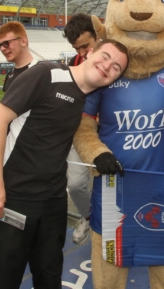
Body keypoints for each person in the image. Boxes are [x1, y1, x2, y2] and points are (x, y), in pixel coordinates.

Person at [0, 39, 129, 289]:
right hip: (12, 196)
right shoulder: (47, 74)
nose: (107, 67)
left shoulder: (86, 97)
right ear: (90, 52)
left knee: (49, 276)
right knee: (3, 278)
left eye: (116, 67)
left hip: (52, 201)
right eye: (105, 57)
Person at [62, 14, 99, 245]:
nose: (83, 52)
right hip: (81, 132)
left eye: (86, 45)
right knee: (75, 184)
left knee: (112, 186)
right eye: (78, 48)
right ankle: (88, 217)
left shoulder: (116, 58)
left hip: (110, 132)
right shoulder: (75, 64)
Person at [0, 21, 36, 91]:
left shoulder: (40, 73)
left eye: (6, 43)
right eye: (0, 45)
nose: (2, 49)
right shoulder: (10, 75)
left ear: (23, 41)